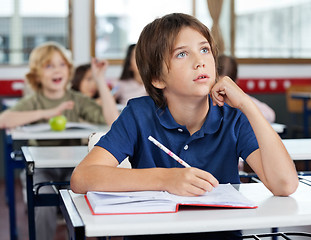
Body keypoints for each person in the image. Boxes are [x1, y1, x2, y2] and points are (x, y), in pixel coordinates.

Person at [71, 13, 298, 239]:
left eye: (205, 50)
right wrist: (165, 179)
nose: (200, 61)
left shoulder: (233, 117)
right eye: (182, 54)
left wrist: (247, 104)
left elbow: (284, 185)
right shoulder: (139, 114)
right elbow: (82, 178)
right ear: (158, 78)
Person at [0, 41, 119, 240]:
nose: (57, 70)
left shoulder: (77, 99)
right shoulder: (35, 101)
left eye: (62, 64)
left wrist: (100, 80)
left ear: (69, 70)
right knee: (41, 200)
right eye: (49, 66)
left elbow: (114, 121)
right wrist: (50, 112)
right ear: (37, 74)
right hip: (42, 168)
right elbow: (4, 120)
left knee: (93, 196)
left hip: (76, 166)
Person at [217, 54, 276, 123]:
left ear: (235, 83)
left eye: (226, 87)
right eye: (216, 85)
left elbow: (270, 115)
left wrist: (245, 107)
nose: (221, 92)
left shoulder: (242, 99)